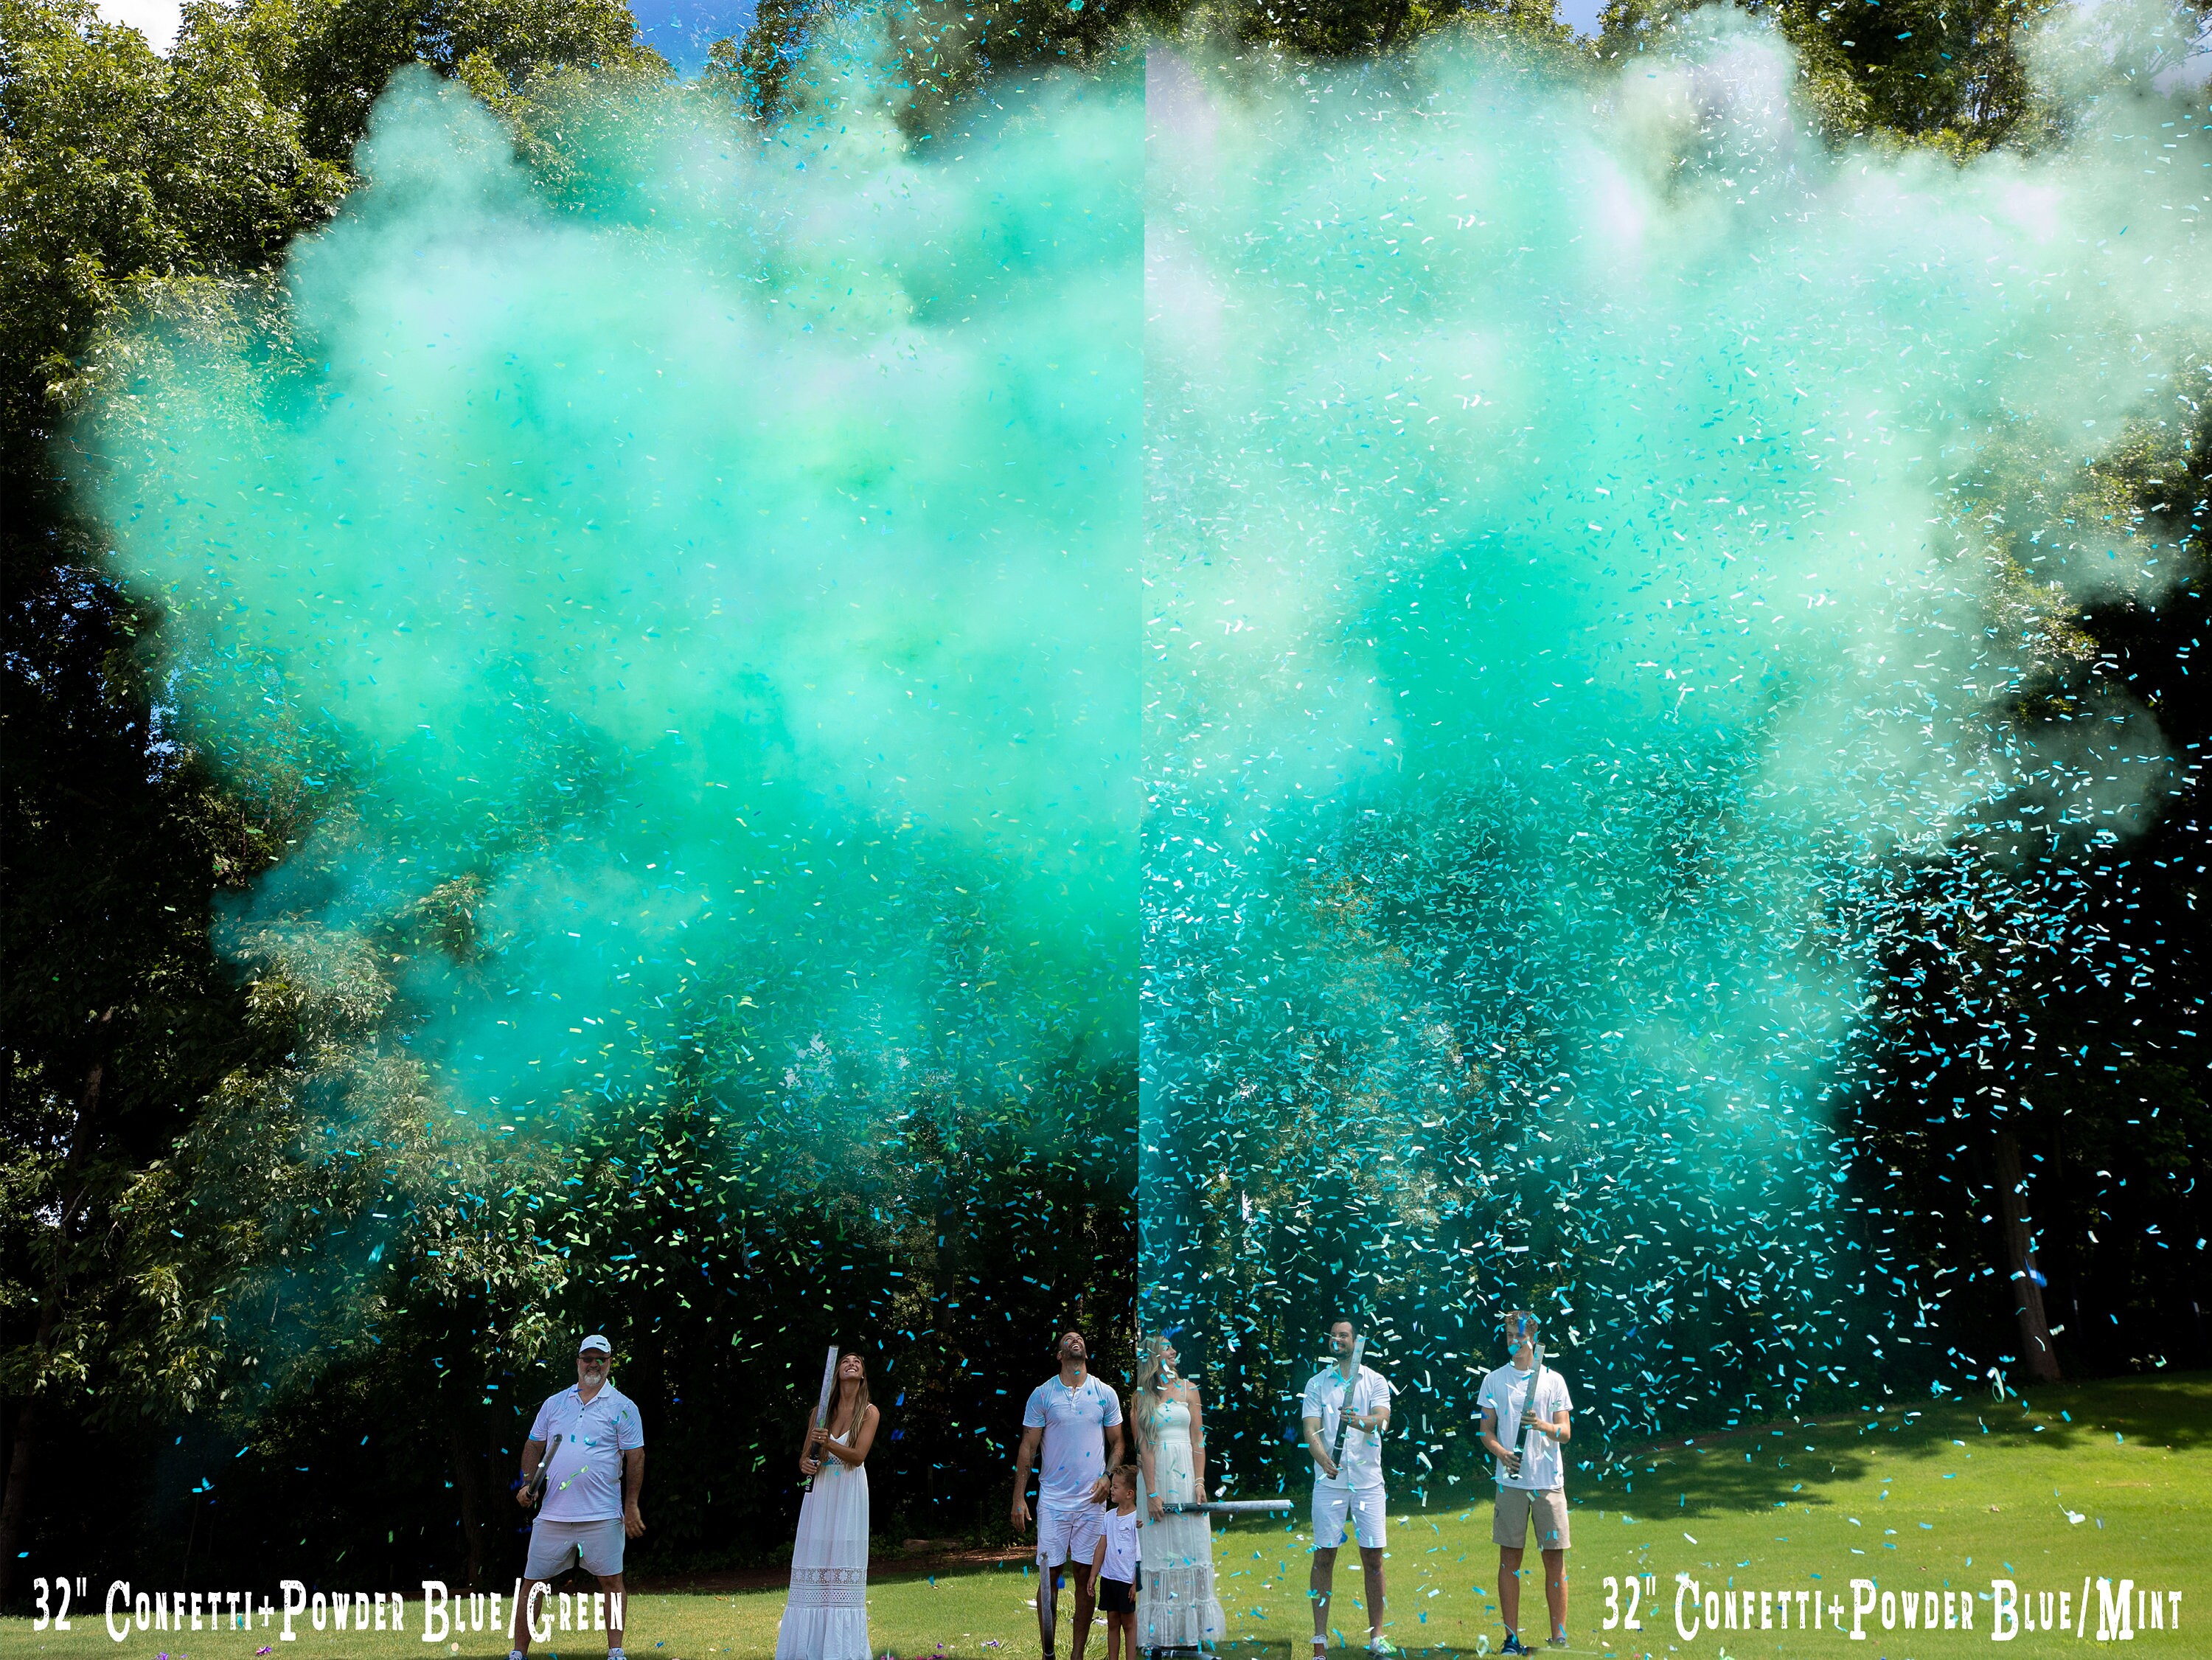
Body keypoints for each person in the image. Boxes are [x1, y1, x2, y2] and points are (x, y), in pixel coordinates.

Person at [510, 1334, 645, 1660]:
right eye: (588, 1358)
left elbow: (636, 1458)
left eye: (601, 1359)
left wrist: (630, 1506)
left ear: (610, 1363)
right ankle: (518, 1653)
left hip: (601, 1514)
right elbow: (533, 1446)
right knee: (531, 1584)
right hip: (554, 1515)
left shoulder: (624, 1408)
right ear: (578, 1362)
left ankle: (616, 1651)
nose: (593, 1364)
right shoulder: (554, 1404)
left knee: (612, 1582)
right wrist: (529, 1483)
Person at [1013, 1330, 1126, 1660]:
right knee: (1049, 1577)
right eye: (1067, 1339)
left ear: (1086, 1353)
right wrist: (1019, 1497)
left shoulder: (1104, 1393)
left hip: (1092, 1500)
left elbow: (1118, 1443)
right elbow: (1028, 1447)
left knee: (1085, 1577)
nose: (1074, 1340)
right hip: (1052, 1501)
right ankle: (1049, 1654)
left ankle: (1076, 1655)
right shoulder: (1043, 1394)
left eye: (1079, 1338)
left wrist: (1108, 1477)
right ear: (1060, 1355)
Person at [1477, 1313, 1573, 1655]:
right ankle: (1511, 1639)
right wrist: (1503, 1453)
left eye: (1517, 1335)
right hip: (1511, 1484)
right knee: (1509, 1560)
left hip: (1548, 1483)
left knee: (1554, 1561)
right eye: (1507, 1335)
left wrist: (1541, 1425)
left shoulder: (1553, 1380)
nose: (1511, 1341)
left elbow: (1565, 1432)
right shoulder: (1494, 1380)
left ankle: (1558, 1637)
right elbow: (1485, 1431)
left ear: (1532, 1337)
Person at [776, 1349, 881, 1660]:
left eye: (857, 1362)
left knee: (841, 1563)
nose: (851, 1364)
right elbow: (806, 1456)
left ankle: (842, 1651)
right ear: (837, 1373)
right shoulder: (819, 1412)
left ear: (862, 1375)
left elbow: (859, 1455)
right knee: (816, 1559)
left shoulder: (870, 1412)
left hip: (849, 1492)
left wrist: (830, 1443)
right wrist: (804, 1464)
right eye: (845, 1362)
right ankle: (809, 1649)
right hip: (821, 1491)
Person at [1299, 1319, 1394, 1656]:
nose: (1336, 1339)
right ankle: (1319, 1641)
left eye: (1343, 1335)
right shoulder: (1317, 1384)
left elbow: (1381, 1419)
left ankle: (1376, 1637)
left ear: (1355, 1341)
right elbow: (1311, 1429)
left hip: (1368, 1483)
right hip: (1330, 1484)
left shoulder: (1376, 1380)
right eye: (1333, 1335)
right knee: (1324, 1556)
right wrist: (1324, 1459)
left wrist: (1357, 1420)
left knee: (1373, 1559)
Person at [1130, 1334, 1225, 1651]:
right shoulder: (1141, 1397)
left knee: (1191, 1547)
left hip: (1186, 1476)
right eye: (1166, 1347)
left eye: (1174, 1346)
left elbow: (1198, 1440)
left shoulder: (1189, 1390)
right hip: (1157, 1479)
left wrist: (1199, 1482)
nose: (1174, 1351)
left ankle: (1193, 1631)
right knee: (1159, 1552)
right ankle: (1158, 1634)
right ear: (1154, 1357)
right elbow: (1144, 1448)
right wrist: (1153, 1493)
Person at [1088, 1464, 1142, 1660]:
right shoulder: (1109, 1517)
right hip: (1109, 1578)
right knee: (1112, 1621)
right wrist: (1094, 1575)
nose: (1111, 1489)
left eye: (1116, 1487)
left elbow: (1139, 1553)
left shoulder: (1137, 1519)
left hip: (1127, 1580)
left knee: (1128, 1624)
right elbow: (1101, 1546)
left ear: (1129, 1493)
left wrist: (1135, 1583)